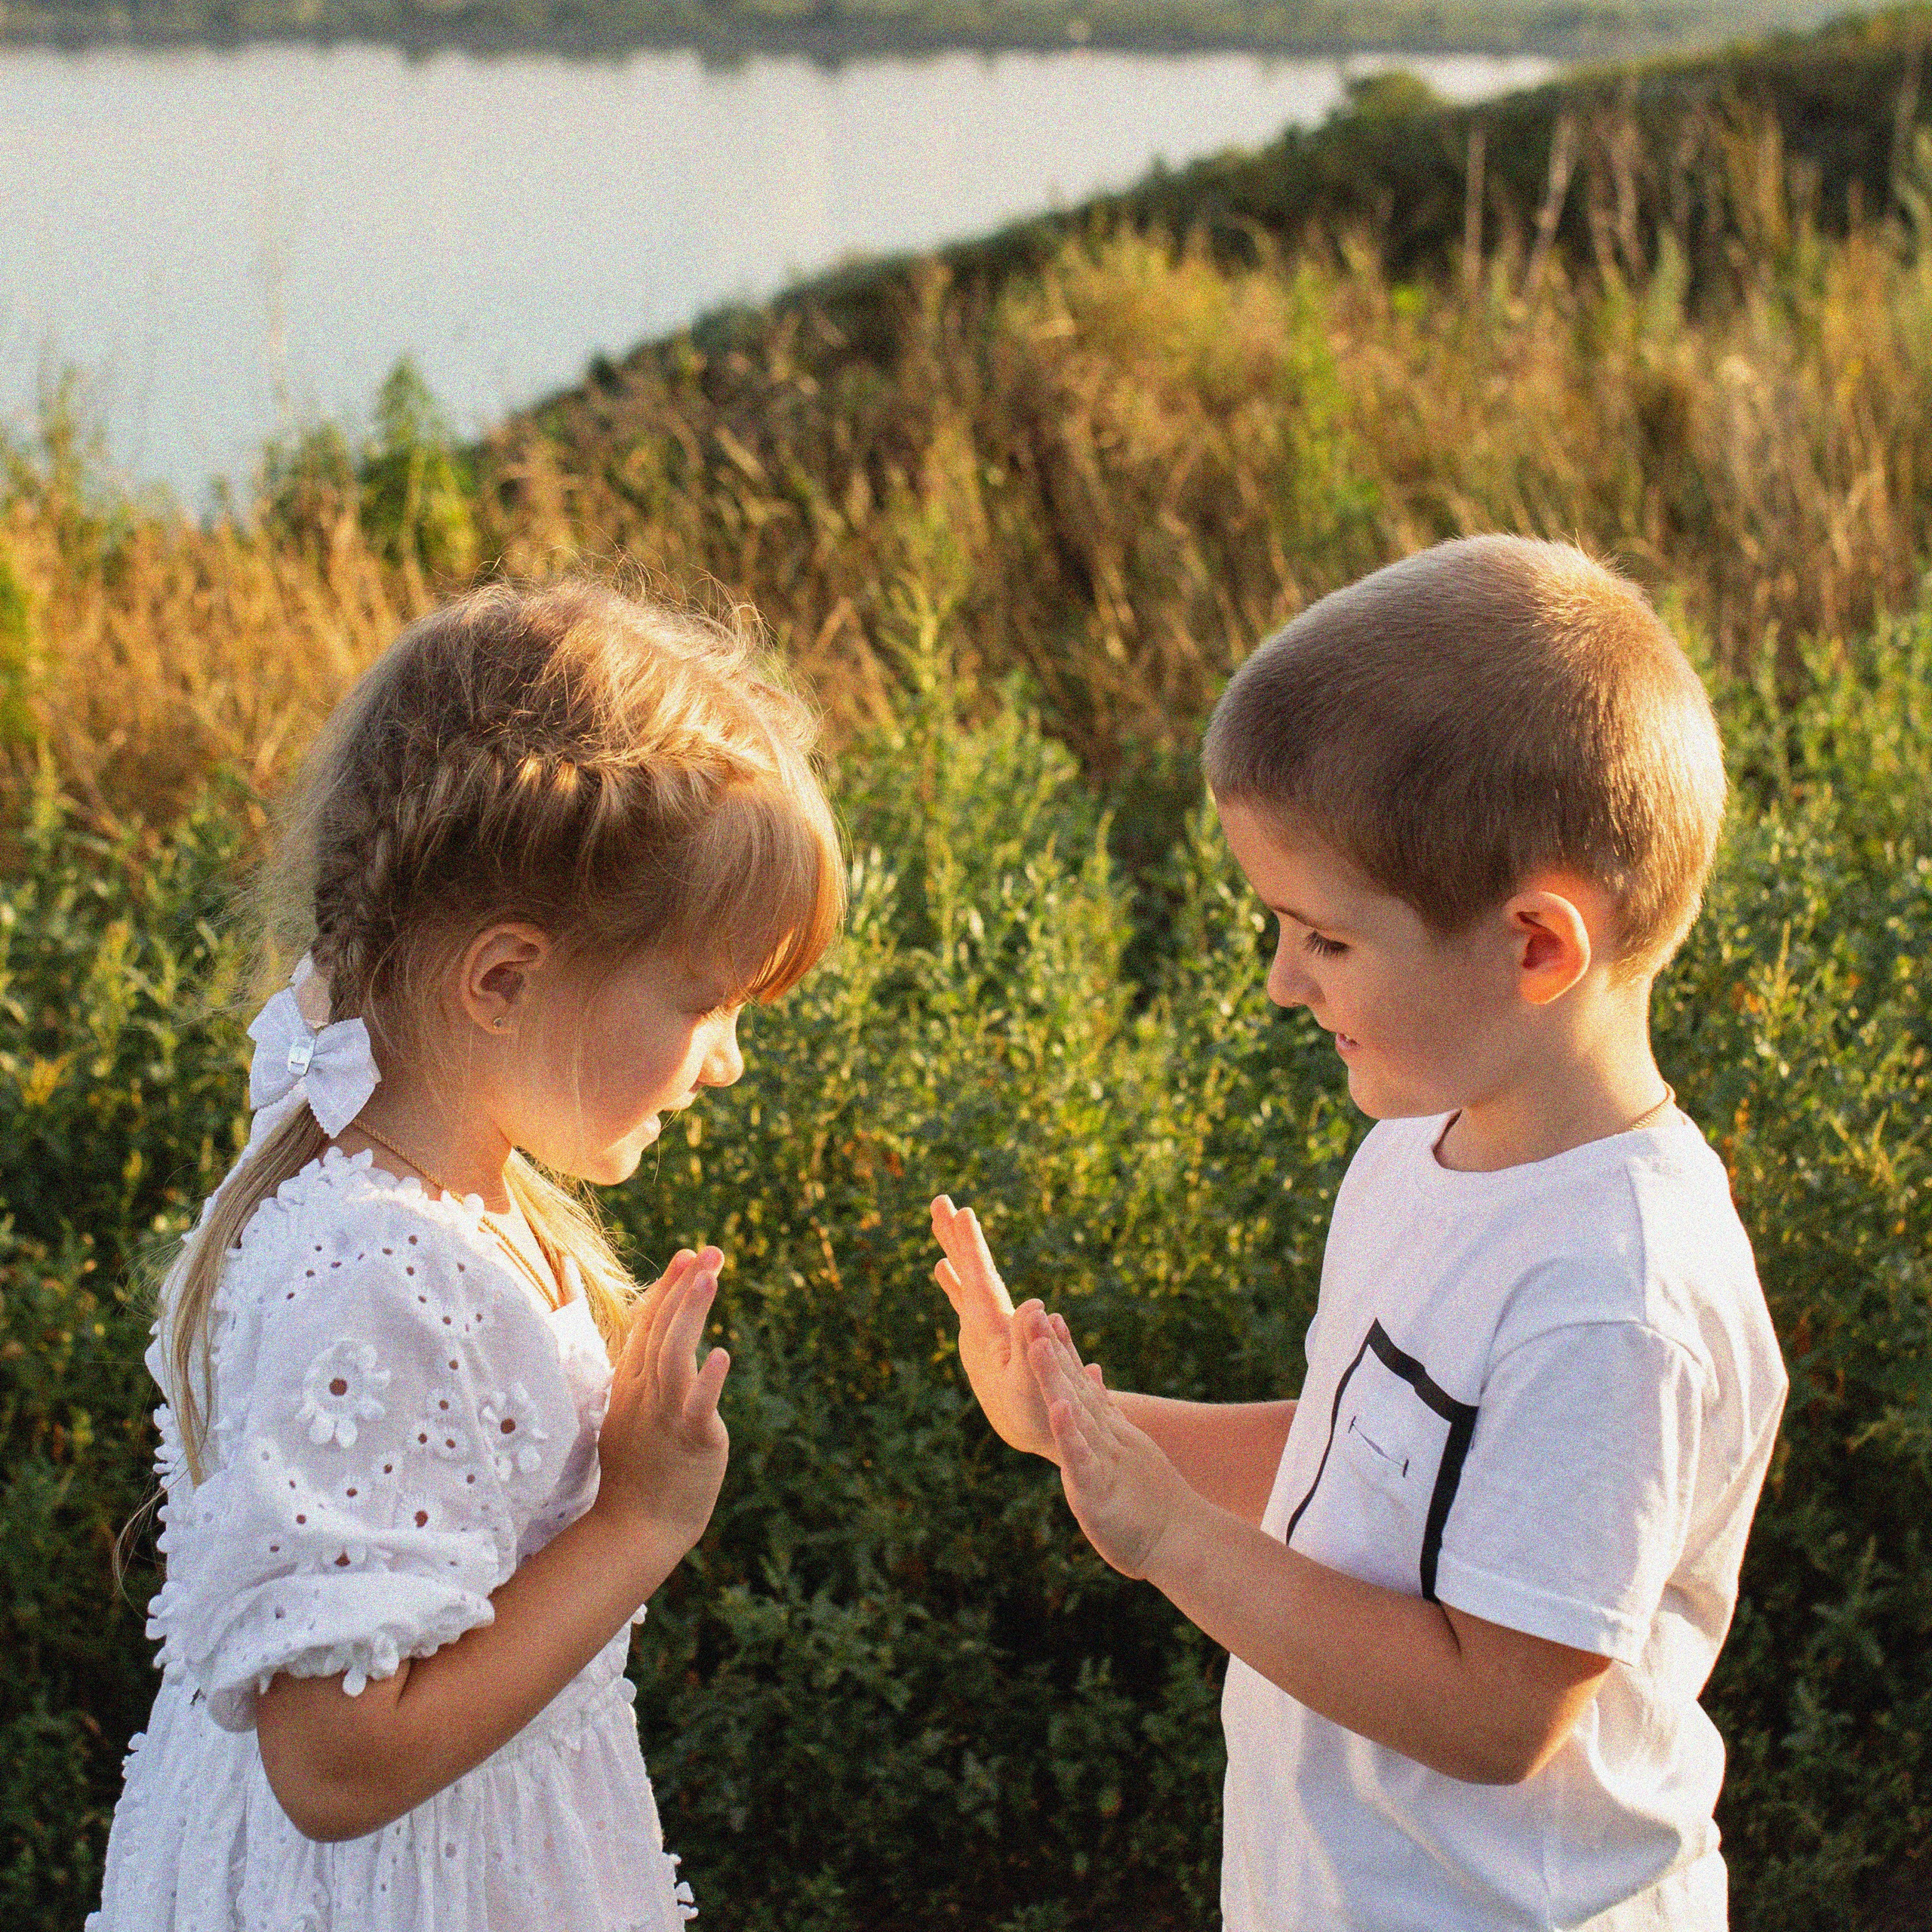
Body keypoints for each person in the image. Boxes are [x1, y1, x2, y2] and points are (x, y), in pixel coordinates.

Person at [931, 536, 1787, 1930]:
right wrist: (1083, 1425)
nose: (1280, 981)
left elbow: (1499, 1713)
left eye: (1322, 938)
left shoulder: (1615, 1296)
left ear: (1537, 948)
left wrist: (1172, 1543)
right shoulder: (1415, 1151)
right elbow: (1368, 1472)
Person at [89, 581, 843, 1932]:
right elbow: (332, 1760)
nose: (730, 1059)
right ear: (502, 979)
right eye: (707, 1001)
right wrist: (636, 1523)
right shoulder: (381, 1271)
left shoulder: (405, 1167)